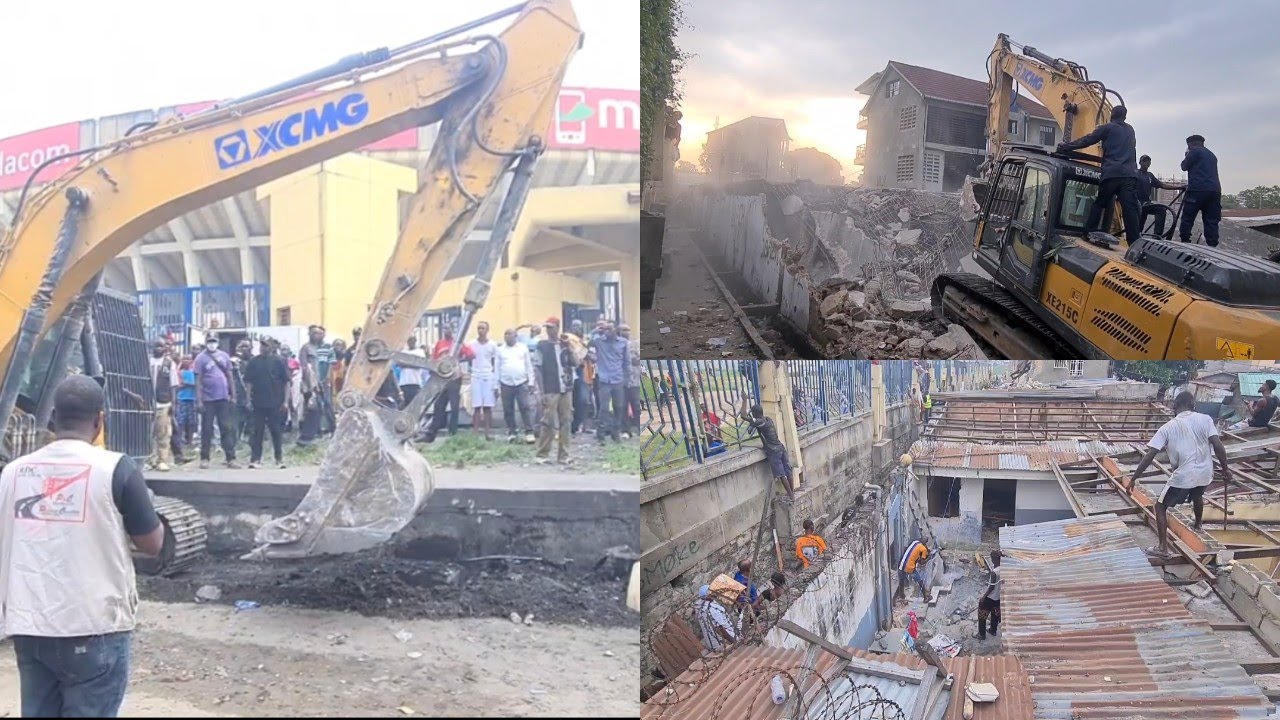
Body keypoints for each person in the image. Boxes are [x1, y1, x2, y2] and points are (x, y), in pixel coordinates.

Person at [0, 375, 164, 717]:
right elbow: (152, 544)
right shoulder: (116, 469)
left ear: (53, 418)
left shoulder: (13, 473)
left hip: (31, 626)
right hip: (94, 627)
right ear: (99, 420)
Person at [1124, 390, 1231, 558]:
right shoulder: (1206, 419)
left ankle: (1162, 548)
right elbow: (1217, 445)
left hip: (1183, 475)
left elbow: (1149, 456)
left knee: (1159, 506)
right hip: (1205, 474)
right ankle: (1197, 524)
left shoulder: (1167, 428)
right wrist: (1225, 469)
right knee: (1197, 494)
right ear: (1193, 405)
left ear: (1174, 407)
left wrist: (1133, 478)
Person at [1056, 105, 1141, 244]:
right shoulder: (1130, 130)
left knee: (1100, 203)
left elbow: (1087, 140)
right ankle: (1135, 243)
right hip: (1130, 175)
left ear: (1111, 115)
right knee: (1130, 209)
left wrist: (1066, 146)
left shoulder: (1107, 128)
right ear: (1125, 117)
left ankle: (1089, 232)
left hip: (1112, 173)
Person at [532, 320, 580, 464]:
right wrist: (541, 391)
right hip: (550, 387)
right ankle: (542, 454)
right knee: (548, 421)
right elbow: (538, 369)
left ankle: (563, 455)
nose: (549, 330)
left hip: (566, 386)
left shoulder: (565, 345)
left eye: (551, 328)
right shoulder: (542, 346)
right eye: (547, 328)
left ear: (558, 328)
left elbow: (576, 363)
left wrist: (569, 348)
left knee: (566, 421)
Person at [194, 335, 240, 469]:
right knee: (207, 429)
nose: (212, 344)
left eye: (214, 342)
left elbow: (230, 376)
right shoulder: (200, 358)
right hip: (208, 399)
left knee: (226, 428)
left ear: (218, 343)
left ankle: (230, 458)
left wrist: (233, 395)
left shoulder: (224, 356)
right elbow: (197, 380)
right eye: (209, 342)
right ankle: (204, 458)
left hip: (223, 398)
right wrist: (199, 400)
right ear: (206, 343)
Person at [244, 338, 291, 469]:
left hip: (276, 402)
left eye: (266, 345)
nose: (263, 348)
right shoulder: (254, 362)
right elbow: (249, 382)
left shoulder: (279, 361)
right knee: (257, 431)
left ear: (272, 347)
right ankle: (255, 459)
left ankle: (279, 459)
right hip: (258, 402)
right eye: (262, 345)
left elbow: (287, 382)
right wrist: (248, 399)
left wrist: (286, 401)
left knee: (276, 431)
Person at [424, 323, 475, 442]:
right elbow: (434, 359)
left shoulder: (457, 344)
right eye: (444, 328)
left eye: (448, 328)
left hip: (455, 378)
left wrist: (458, 360)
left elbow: (471, 355)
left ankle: (453, 434)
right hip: (441, 378)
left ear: (452, 330)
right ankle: (431, 434)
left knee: (454, 406)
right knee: (439, 406)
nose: (446, 330)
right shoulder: (439, 344)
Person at [738, 396, 794, 497]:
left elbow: (743, 415)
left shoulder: (759, 421)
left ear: (755, 414)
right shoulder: (768, 419)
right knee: (788, 471)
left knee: (781, 475)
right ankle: (792, 493)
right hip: (780, 447)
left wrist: (745, 400)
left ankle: (791, 496)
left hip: (773, 451)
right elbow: (756, 426)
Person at [1178, 134, 1222, 247]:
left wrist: (1186, 155)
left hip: (1198, 190)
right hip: (1215, 191)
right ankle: (1212, 245)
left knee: (1188, 217)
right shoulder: (1212, 155)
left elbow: (1184, 166)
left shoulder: (1194, 151)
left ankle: (1185, 241)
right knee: (1211, 221)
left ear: (1190, 144)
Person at [590, 321, 629, 443]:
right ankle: (600, 434)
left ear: (615, 330)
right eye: (605, 329)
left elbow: (626, 362)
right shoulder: (599, 341)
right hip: (604, 380)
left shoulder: (623, 343)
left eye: (609, 329)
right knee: (604, 408)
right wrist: (596, 330)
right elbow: (587, 343)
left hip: (618, 379)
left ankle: (615, 432)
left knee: (619, 407)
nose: (607, 331)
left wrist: (626, 379)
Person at [496, 328, 537, 443]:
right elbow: (497, 369)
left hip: (521, 382)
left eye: (509, 334)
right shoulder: (500, 350)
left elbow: (528, 365)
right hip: (506, 383)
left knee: (525, 407)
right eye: (505, 333)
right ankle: (512, 432)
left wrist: (531, 382)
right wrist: (496, 385)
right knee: (508, 409)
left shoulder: (523, 348)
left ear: (515, 336)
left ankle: (529, 432)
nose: (507, 336)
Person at [297, 325, 333, 445]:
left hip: (322, 382)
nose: (316, 335)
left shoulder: (323, 348)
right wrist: (310, 384)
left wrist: (325, 379)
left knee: (326, 405)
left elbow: (328, 364)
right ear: (310, 335)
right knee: (312, 408)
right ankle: (309, 435)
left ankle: (329, 430)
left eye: (319, 333)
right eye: (314, 333)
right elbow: (304, 367)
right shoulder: (306, 348)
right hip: (310, 383)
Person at [148, 339, 181, 471]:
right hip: (147, 402)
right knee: (148, 432)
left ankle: (162, 460)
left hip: (163, 402)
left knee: (163, 432)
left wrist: (173, 403)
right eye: (156, 346)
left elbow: (173, 385)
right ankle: (150, 459)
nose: (159, 349)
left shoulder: (169, 363)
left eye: (161, 346)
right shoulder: (146, 361)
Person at [1136, 154, 1181, 237]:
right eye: (1144, 161)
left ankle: (1157, 236)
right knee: (1138, 226)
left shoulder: (1150, 175)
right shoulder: (1135, 173)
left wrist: (1179, 187)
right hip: (1136, 203)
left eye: (1148, 161)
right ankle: (1136, 236)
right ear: (1140, 162)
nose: (1146, 163)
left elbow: (1162, 185)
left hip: (1146, 204)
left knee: (1161, 210)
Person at [467, 321, 499, 441]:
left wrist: (495, 382)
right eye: (479, 328)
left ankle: (487, 432)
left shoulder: (493, 345)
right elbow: (468, 359)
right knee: (476, 406)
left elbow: (495, 363)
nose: (481, 330)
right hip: (476, 376)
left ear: (487, 330)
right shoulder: (471, 344)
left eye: (483, 328)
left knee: (487, 406)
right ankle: (475, 433)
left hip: (488, 375)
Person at [693, 585, 736, 653]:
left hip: (712, 642)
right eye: (712, 592)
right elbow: (719, 629)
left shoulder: (699, 605)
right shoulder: (712, 610)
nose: (715, 592)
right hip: (723, 643)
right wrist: (733, 641)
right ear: (708, 595)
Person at [230, 340, 253, 448]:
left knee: (252, 420)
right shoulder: (233, 361)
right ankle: (235, 442)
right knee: (236, 420)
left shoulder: (254, 361)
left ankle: (252, 442)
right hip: (237, 395)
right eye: (241, 346)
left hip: (252, 395)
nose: (244, 349)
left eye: (246, 346)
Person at [620, 323, 642, 436]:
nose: (626, 332)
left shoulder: (635, 344)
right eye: (623, 330)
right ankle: (625, 430)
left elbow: (637, 359)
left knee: (636, 405)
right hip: (621, 381)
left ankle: (638, 427)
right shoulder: (617, 345)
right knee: (623, 406)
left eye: (627, 330)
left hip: (634, 380)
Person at [977, 550, 1002, 641]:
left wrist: (983, 597)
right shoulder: (1004, 569)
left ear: (995, 559)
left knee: (982, 616)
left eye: (992, 559)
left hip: (990, 598)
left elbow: (991, 587)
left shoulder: (994, 572)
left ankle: (981, 634)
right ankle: (993, 630)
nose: (991, 560)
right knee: (995, 614)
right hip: (998, 598)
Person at [176, 355, 198, 447]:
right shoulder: (179, 372)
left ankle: (190, 441)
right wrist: (187, 384)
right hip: (182, 398)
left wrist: (187, 384)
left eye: (188, 359)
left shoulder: (194, 372)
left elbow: (197, 384)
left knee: (192, 421)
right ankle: (179, 439)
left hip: (192, 399)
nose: (186, 361)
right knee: (181, 420)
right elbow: (178, 385)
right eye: (184, 359)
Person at [398, 336, 426, 409]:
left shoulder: (420, 352)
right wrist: (412, 363)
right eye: (409, 341)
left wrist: (406, 363)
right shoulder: (403, 352)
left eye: (412, 341)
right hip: (404, 383)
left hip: (415, 383)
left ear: (415, 341)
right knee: (404, 405)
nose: (410, 342)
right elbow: (400, 364)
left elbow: (420, 364)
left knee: (414, 406)